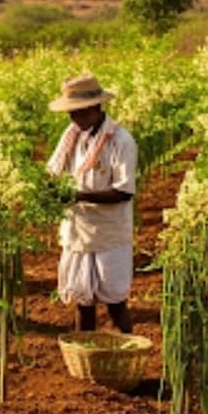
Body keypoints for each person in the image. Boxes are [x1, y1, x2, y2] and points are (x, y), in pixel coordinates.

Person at [45, 74, 138, 333]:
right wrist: (47, 189)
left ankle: (126, 350)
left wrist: (78, 197)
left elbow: (124, 192)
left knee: (115, 303)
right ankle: (84, 349)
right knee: (82, 301)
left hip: (109, 233)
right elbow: (54, 172)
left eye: (79, 112)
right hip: (78, 231)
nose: (74, 118)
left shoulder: (121, 141)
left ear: (96, 107)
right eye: (71, 112)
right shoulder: (72, 136)